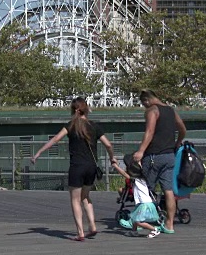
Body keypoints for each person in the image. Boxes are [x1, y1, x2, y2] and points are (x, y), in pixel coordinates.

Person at [31, 97, 117, 241]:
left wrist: (38, 153)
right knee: (86, 196)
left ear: (74, 110)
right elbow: (108, 144)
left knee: (75, 200)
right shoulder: (94, 126)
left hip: (77, 166)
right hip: (91, 167)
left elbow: (55, 140)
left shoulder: (71, 125)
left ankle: (80, 232)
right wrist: (112, 158)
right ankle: (92, 226)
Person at [133, 89, 186, 234]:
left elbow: (149, 132)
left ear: (147, 101)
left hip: (153, 156)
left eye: (144, 104)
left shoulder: (153, 110)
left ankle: (139, 221)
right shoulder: (171, 110)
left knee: (144, 188)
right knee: (168, 190)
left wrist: (141, 151)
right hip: (169, 155)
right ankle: (169, 225)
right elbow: (183, 129)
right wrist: (177, 142)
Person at [113, 156, 161, 238]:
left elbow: (124, 174)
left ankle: (154, 229)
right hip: (144, 203)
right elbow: (138, 167)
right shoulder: (142, 178)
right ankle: (134, 231)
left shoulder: (136, 179)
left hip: (144, 203)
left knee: (138, 221)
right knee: (135, 218)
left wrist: (116, 166)